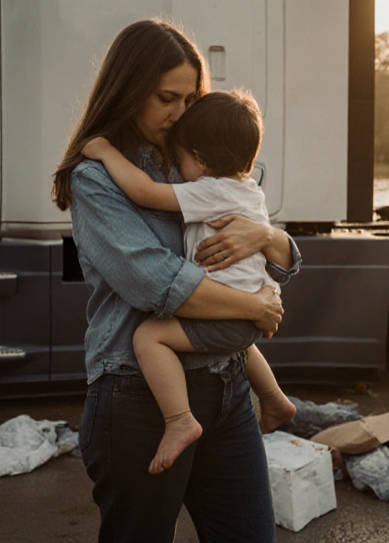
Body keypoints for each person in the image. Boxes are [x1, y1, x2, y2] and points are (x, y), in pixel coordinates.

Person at [52, 19, 300, 543]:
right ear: (129, 88)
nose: (180, 111)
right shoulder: (98, 179)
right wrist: (253, 309)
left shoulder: (204, 158)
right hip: (138, 400)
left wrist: (265, 237)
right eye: (168, 98)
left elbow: (280, 251)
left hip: (227, 388)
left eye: (190, 98)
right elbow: (155, 283)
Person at [81, 88, 296, 476]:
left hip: (227, 314)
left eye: (181, 161)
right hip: (246, 310)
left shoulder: (210, 189)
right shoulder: (249, 190)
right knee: (241, 345)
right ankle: (274, 397)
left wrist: (106, 152)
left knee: (149, 337)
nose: (178, 169)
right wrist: (260, 300)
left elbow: (145, 193)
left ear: (200, 161)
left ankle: (179, 419)